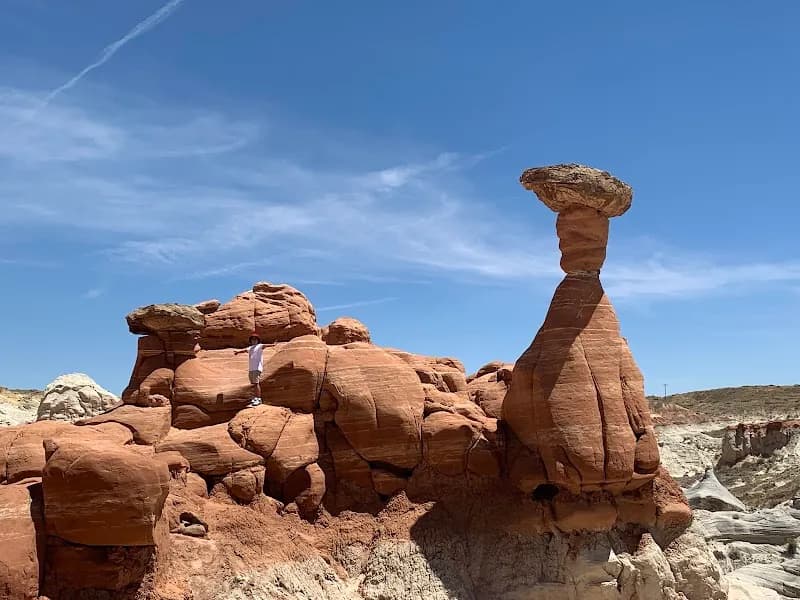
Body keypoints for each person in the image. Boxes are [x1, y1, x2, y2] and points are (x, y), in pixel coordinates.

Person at [234, 332, 264, 407]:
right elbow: (244, 350)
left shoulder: (259, 346)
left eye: (255, 339)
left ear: (258, 340)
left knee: (256, 383)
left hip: (257, 368)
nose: (254, 340)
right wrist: (238, 352)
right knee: (253, 384)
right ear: (251, 341)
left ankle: (258, 399)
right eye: (252, 339)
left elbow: (265, 346)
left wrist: (273, 345)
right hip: (251, 369)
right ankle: (255, 397)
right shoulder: (250, 348)